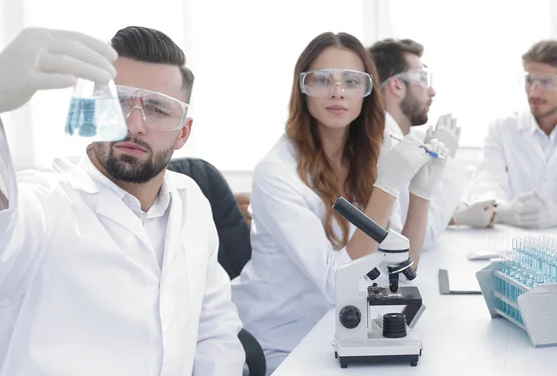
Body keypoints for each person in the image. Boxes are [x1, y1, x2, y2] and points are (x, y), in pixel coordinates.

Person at [0, 26, 244, 376]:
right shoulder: (48, 204)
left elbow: (214, 326)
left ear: (183, 132)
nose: (134, 124)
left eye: (157, 109)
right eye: (118, 101)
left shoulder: (192, 201)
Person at [230, 32, 448, 375]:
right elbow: (338, 284)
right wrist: (387, 187)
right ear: (302, 88)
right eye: (321, 80)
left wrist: (421, 193)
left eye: (351, 80)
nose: (337, 91)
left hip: (348, 328)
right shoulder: (275, 173)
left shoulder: (369, 156)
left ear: (368, 91)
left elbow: (402, 272)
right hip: (286, 340)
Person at [368, 38, 481, 246]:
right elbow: (421, 236)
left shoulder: (397, 136)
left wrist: (459, 215)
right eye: (423, 78)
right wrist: (448, 159)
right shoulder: (386, 143)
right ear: (396, 85)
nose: (432, 91)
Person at [463, 40, 557, 229]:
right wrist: (504, 211)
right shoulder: (503, 129)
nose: (533, 91)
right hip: (510, 238)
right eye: (529, 80)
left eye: (546, 82)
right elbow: (486, 183)